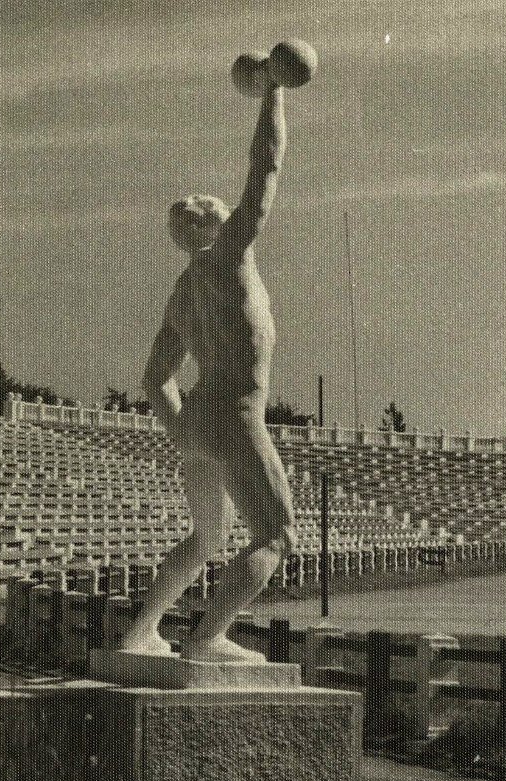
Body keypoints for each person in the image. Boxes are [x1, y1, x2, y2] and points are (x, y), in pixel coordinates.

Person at [117, 61, 296, 663]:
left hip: (196, 419)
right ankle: (206, 638)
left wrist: (182, 429)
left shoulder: (182, 290)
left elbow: (155, 378)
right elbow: (265, 170)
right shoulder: (230, 257)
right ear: (217, 226)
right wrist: (273, 93)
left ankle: (141, 632)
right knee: (276, 534)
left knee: (207, 537)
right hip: (235, 415)